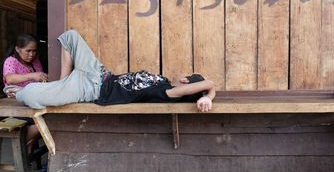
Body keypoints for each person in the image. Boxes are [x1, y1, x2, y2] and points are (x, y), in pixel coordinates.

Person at [8, 30, 215, 112]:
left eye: (186, 75)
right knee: (70, 36)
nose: (182, 74)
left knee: (30, 95)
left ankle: (23, 91)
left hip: (92, 88)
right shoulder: (163, 81)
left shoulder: (168, 92)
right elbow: (207, 85)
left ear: (186, 83)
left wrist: (208, 97)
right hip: (99, 73)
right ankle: (62, 83)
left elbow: (210, 83)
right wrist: (207, 96)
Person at [2, 33, 47, 153]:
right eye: (28, 51)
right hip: (17, 106)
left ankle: (28, 143)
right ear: (18, 48)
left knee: (49, 118)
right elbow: (10, 78)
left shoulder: (35, 62)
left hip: (33, 103)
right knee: (45, 121)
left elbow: (40, 79)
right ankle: (24, 145)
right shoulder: (11, 61)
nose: (31, 54)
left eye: (34, 51)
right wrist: (32, 75)